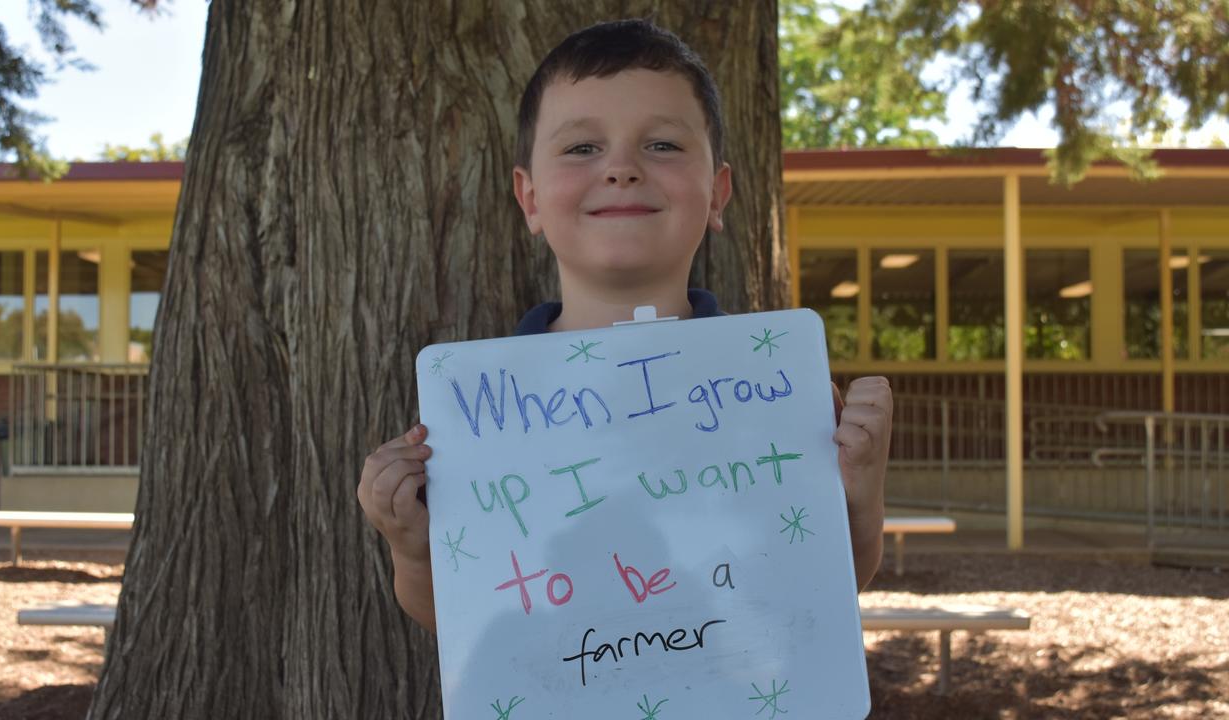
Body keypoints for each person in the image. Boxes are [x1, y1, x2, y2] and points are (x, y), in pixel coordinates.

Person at [357, 19, 892, 633]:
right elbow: (458, 622)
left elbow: (826, 582)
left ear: (717, 195)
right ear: (529, 199)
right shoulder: (480, 414)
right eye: (582, 147)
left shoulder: (774, 393)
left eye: (661, 145)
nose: (621, 168)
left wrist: (859, 496)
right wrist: (413, 547)